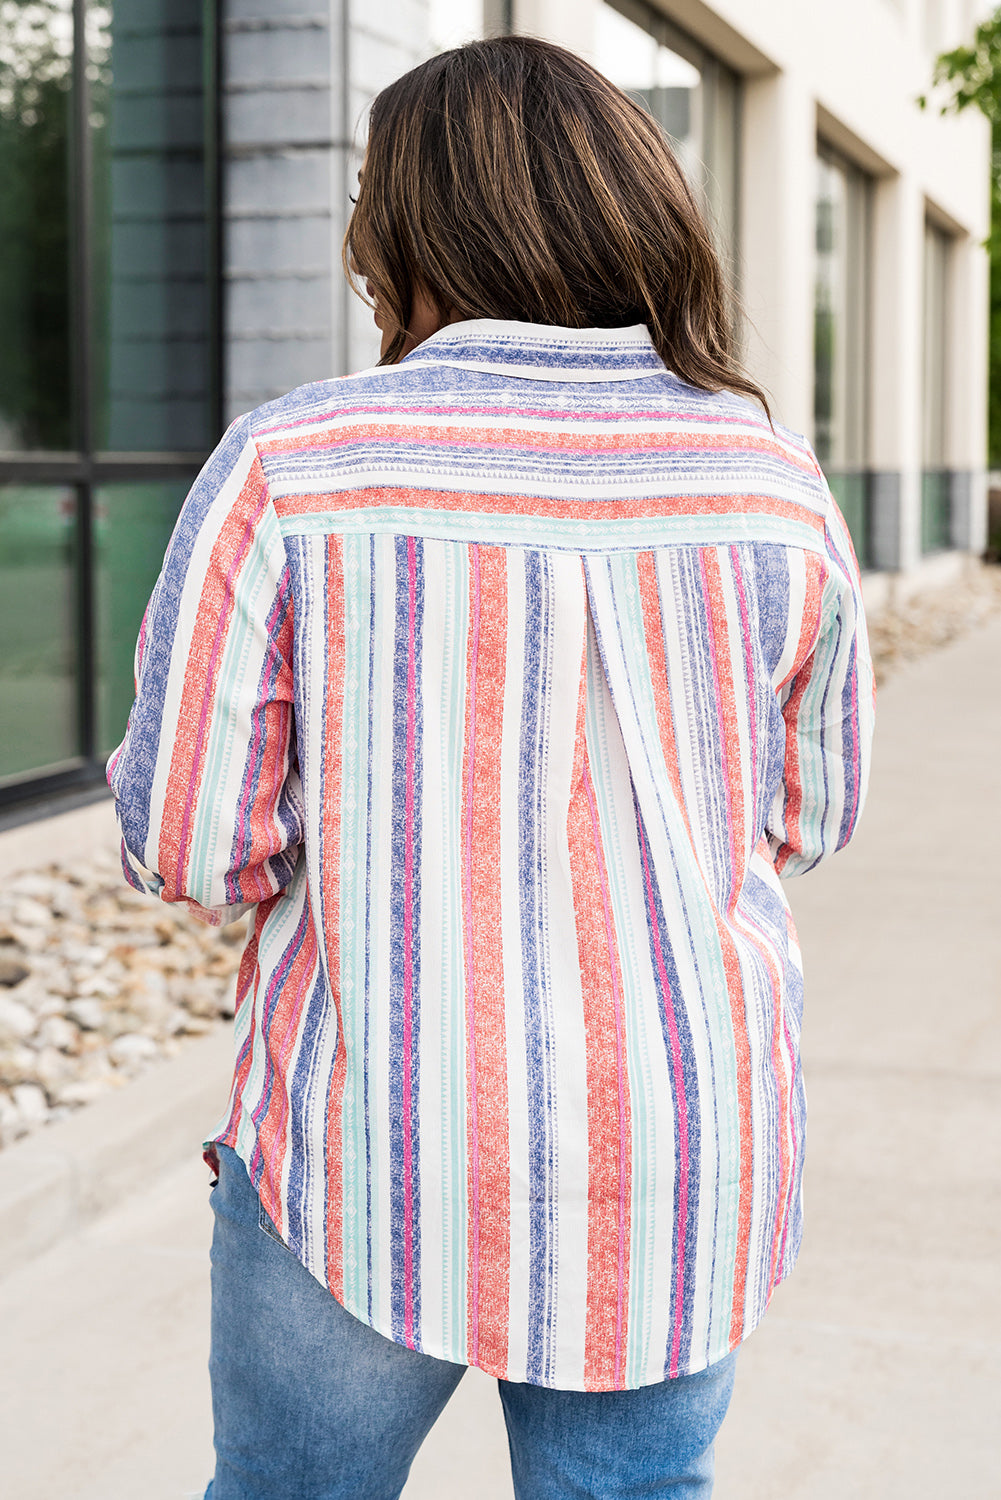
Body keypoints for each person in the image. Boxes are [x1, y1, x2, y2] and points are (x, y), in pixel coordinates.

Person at [107, 34, 874, 1500]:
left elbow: (193, 845)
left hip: (367, 1140)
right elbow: (808, 813)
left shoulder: (295, 462)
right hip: (674, 1147)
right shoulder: (767, 481)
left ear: (404, 231)